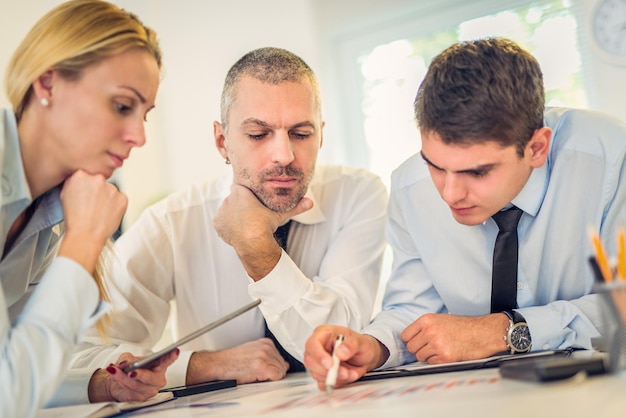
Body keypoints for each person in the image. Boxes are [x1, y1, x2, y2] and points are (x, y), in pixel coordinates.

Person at [303, 37, 626, 390]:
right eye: (436, 166)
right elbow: (413, 308)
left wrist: (507, 330)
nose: (449, 193)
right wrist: (374, 345)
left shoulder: (610, 159)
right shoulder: (410, 187)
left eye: (477, 172)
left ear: (536, 148)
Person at [70, 47, 388, 388]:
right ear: (222, 141)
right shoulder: (171, 223)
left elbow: (338, 346)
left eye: (301, 134)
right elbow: (78, 357)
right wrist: (202, 366)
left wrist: (255, 245)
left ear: (321, 136)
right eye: (257, 134)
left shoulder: (359, 194)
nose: (284, 155)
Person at [0, 1, 179, 416]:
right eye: (121, 106)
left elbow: (14, 369)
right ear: (48, 84)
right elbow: (11, 395)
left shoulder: (47, 217)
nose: (138, 136)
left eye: (144, 115)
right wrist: (83, 242)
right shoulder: (71, 227)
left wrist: (103, 384)